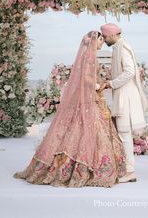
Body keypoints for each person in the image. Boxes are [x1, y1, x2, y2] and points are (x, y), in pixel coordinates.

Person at [14, 31, 126, 188]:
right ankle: (86, 168)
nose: (102, 42)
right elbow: (85, 77)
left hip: (93, 99)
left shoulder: (89, 55)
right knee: (90, 129)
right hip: (91, 98)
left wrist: (101, 84)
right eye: (101, 39)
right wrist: (97, 85)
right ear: (95, 41)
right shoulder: (90, 56)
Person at [100, 23, 148, 183]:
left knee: (124, 134)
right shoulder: (119, 46)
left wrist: (111, 83)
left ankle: (130, 171)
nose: (104, 40)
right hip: (122, 96)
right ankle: (128, 169)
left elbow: (130, 71)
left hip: (125, 97)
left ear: (113, 35)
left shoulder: (123, 47)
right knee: (124, 134)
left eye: (105, 36)